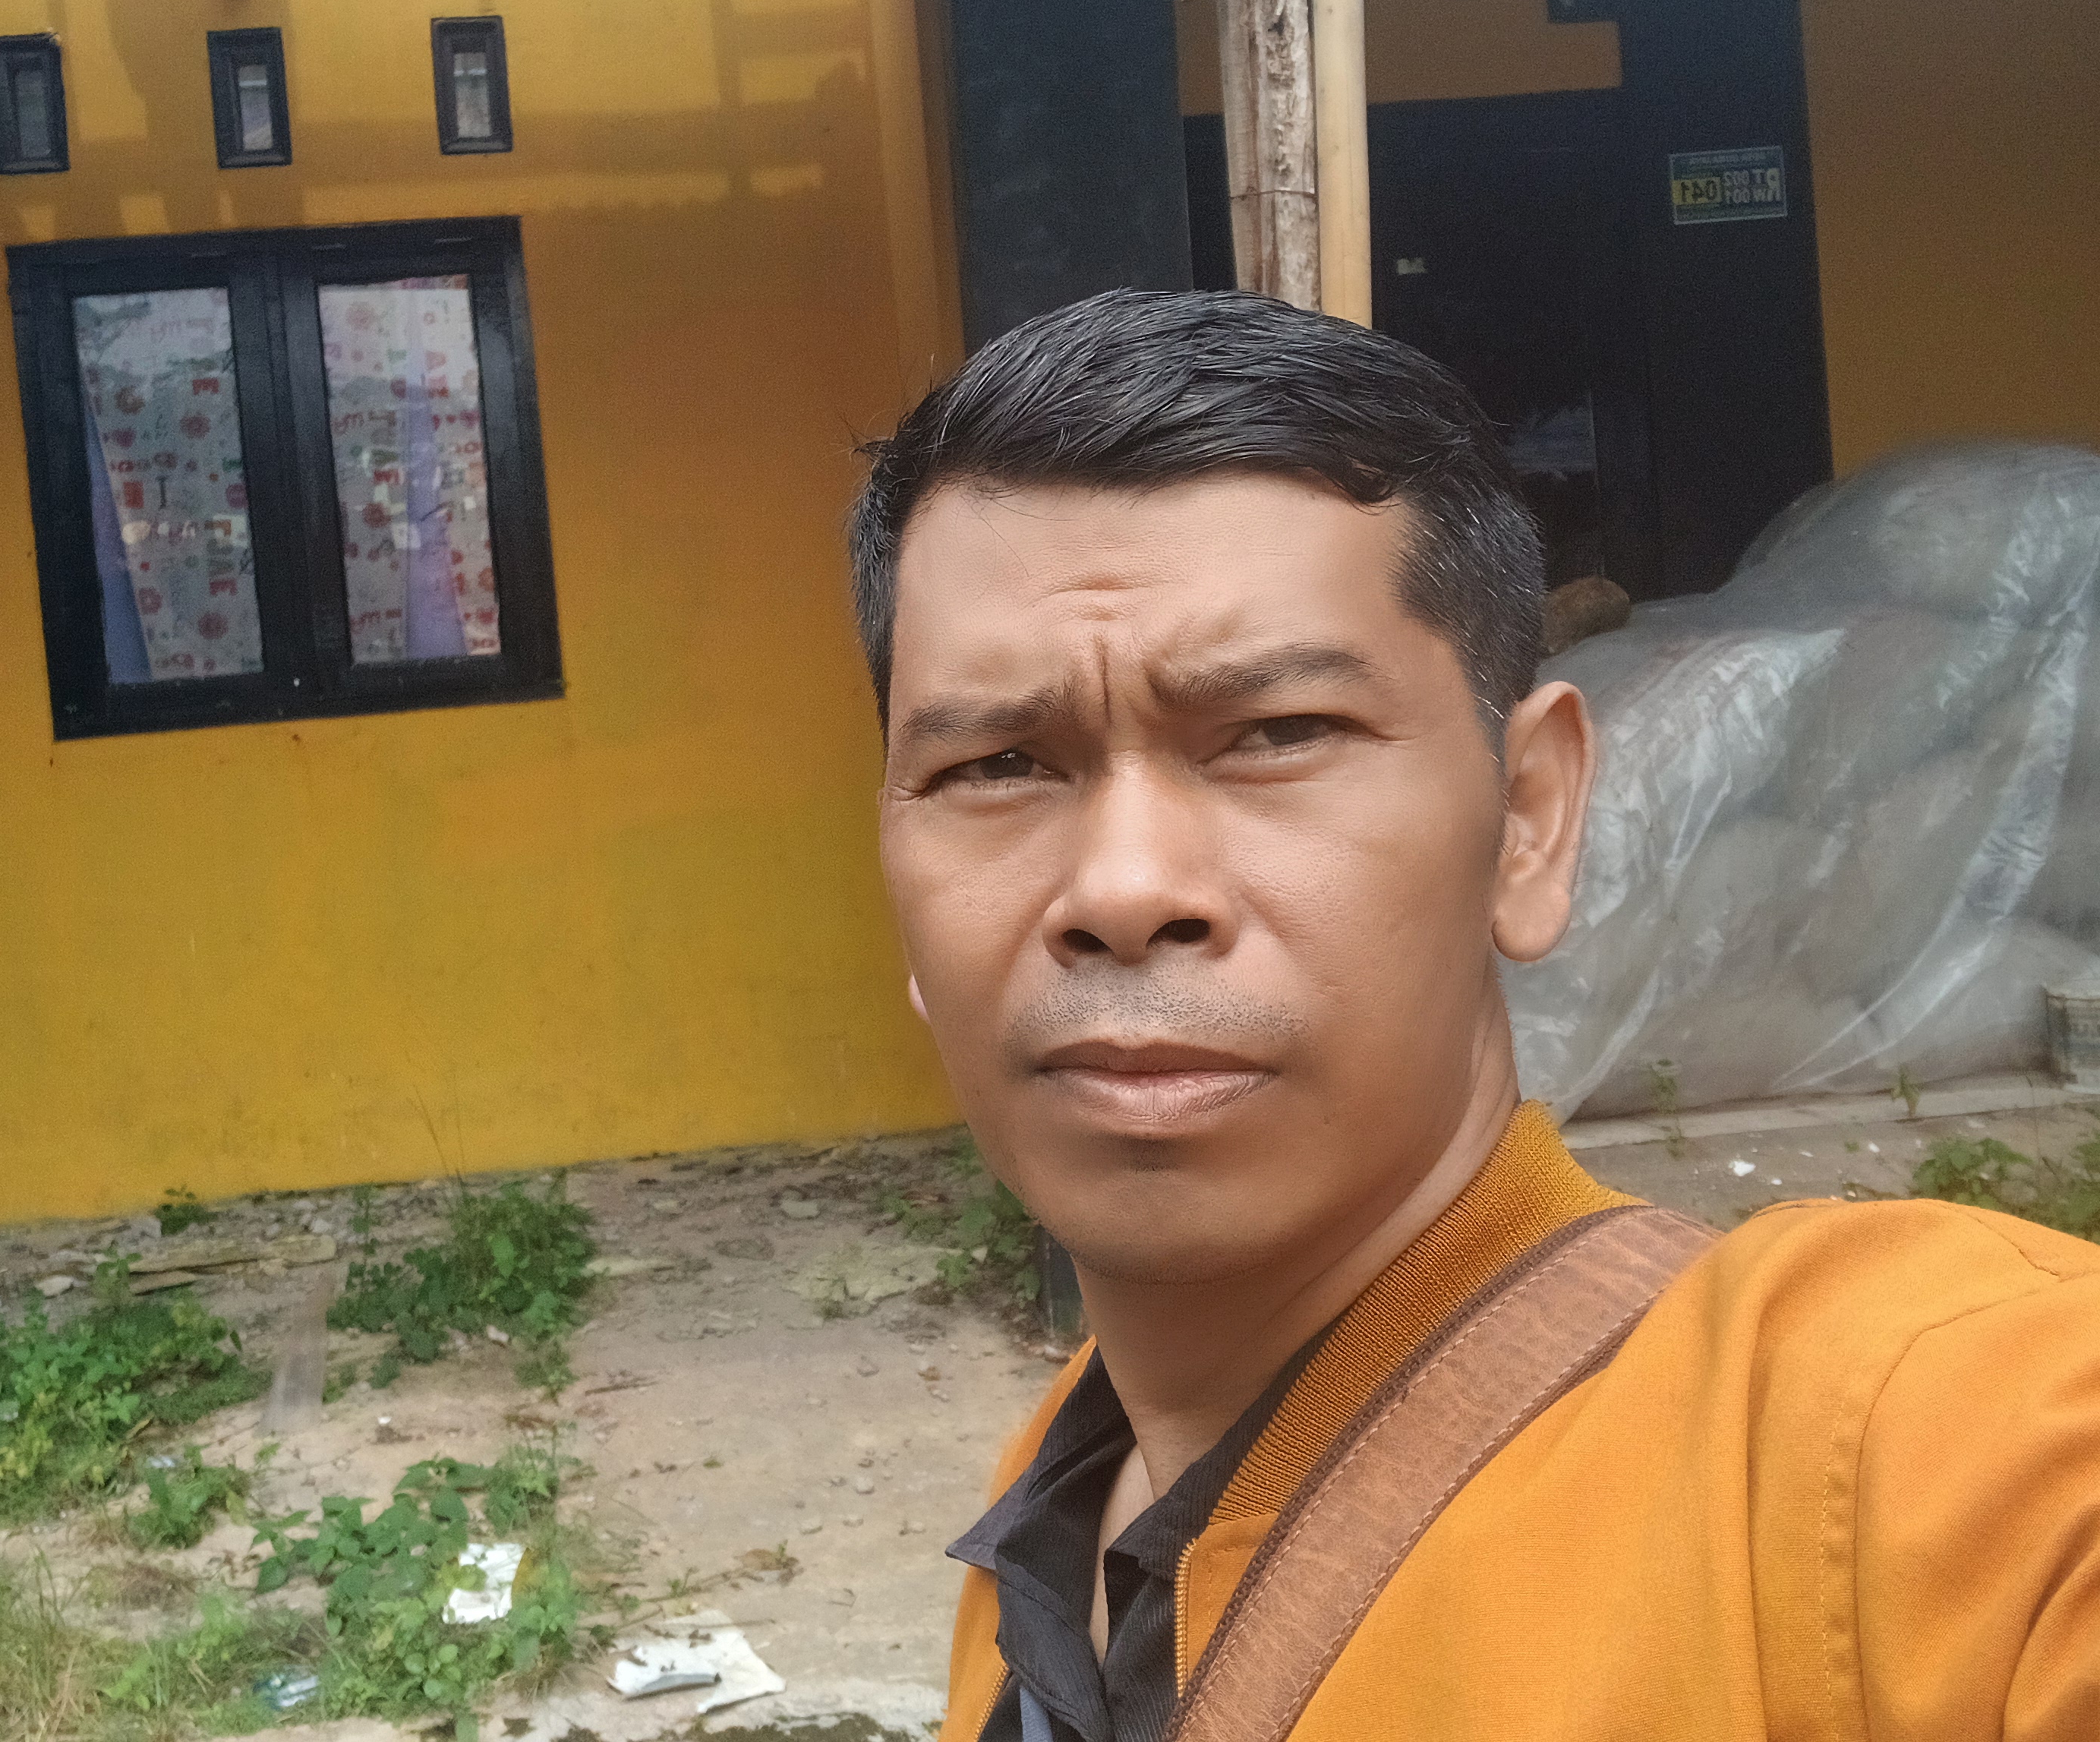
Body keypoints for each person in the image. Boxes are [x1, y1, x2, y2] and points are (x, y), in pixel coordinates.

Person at [848, 289, 2100, 1742]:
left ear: (1529, 821)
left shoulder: (1876, 1454)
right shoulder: (1047, 1509)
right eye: (997, 766)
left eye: (1277, 735)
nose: (1122, 890)